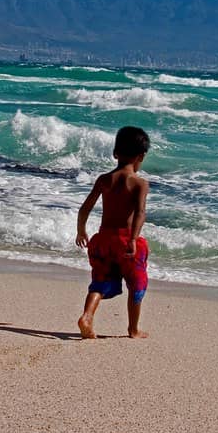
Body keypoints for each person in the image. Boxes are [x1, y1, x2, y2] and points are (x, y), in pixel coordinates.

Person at [76, 126, 151, 339]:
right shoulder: (139, 183)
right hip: (127, 240)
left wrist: (81, 230)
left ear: (115, 153)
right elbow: (140, 213)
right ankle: (133, 329)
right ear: (141, 156)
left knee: (100, 281)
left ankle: (87, 316)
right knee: (136, 284)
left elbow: (85, 208)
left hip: (103, 240)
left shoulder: (104, 179)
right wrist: (134, 239)